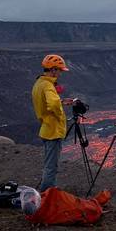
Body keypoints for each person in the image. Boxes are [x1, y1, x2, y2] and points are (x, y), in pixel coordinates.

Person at [31, 54, 73, 192]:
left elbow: (47, 103)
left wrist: (61, 102)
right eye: (60, 70)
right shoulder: (48, 86)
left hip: (46, 128)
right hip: (53, 131)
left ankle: (48, 192)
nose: (60, 73)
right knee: (51, 166)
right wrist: (60, 114)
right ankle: (46, 195)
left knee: (49, 164)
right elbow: (53, 105)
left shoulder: (39, 83)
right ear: (53, 70)